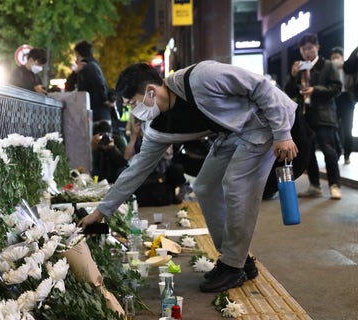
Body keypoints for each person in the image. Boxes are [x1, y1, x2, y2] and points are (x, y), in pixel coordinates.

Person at [78, 61, 298, 293]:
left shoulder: (202, 77)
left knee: (236, 183)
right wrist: (101, 211)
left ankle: (233, 265)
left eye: (133, 103)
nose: (134, 111)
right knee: (204, 186)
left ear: (151, 91)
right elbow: (136, 170)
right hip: (232, 134)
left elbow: (260, 87)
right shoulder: (157, 128)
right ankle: (238, 257)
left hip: (266, 122)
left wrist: (282, 133)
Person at [284, 33, 342, 200]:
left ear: (317, 47)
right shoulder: (301, 67)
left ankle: (334, 185)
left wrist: (315, 90)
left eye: (309, 48)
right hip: (305, 116)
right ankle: (314, 185)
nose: (306, 52)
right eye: (303, 49)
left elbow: (336, 88)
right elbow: (288, 92)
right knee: (308, 152)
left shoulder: (328, 65)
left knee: (328, 151)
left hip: (324, 115)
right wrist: (293, 75)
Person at [124, 116, 192, 206]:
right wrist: (134, 137)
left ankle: (181, 189)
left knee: (177, 169)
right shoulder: (136, 138)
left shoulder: (160, 135)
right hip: (146, 172)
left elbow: (168, 156)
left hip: (164, 171)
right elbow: (126, 156)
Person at [72, 40, 113, 125]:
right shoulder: (91, 66)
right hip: (98, 114)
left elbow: (99, 85)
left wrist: (104, 100)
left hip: (96, 115)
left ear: (78, 54)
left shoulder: (89, 67)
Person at [330, 47, 355, 165]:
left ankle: (347, 154)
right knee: (333, 128)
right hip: (334, 99)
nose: (335, 60)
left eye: (337, 57)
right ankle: (338, 152)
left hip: (347, 99)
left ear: (342, 57)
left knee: (348, 128)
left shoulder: (348, 67)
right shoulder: (329, 70)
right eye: (333, 57)